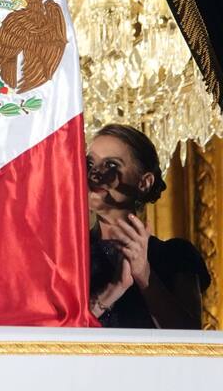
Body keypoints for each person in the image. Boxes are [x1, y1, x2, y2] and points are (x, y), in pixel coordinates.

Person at [87, 124, 210, 328]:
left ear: (144, 183)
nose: (94, 174)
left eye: (111, 165)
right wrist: (113, 290)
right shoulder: (66, 255)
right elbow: (53, 332)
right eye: (90, 163)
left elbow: (189, 336)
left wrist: (144, 274)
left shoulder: (176, 255)